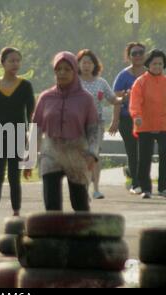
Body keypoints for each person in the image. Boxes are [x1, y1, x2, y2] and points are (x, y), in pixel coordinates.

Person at [24, 51, 99, 212]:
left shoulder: (85, 99)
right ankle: (53, 236)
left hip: (77, 152)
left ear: (74, 71)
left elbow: (93, 130)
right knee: (51, 204)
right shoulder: (46, 97)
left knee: (79, 204)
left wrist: (92, 154)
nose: (62, 73)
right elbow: (35, 128)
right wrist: (30, 159)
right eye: (58, 69)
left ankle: (82, 235)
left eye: (67, 69)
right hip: (51, 151)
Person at [0, 47, 35, 228]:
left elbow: (31, 116)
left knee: (13, 176)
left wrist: (31, 143)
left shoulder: (25, 86)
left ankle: (16, 214)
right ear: (2, 62)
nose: (15, 64)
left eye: (18, 60)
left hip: (18, 135)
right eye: (11, 60)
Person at [130, 49, 166, 199]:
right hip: (145, 125)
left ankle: (164, 188)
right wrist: (136, 116)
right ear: (148, 64)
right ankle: (146, 189)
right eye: (154, 63)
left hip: (163, 125)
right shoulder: (140, 82)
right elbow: (135, 101)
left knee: (165, 154)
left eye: (160, 63)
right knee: (144, 157)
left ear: (164, 65)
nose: (157, 66)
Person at [77, 49, 123, 200]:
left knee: (94, 155)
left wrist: (123, 99)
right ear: (78, 64)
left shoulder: (101, 82)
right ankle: (82, 188)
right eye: (84, 62)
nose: (86, 65)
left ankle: (96, 189)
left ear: (94, 65)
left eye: (89, 62)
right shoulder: (73, 82)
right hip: (76, 124)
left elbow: (113, 100)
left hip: (96, 125)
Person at [113, 42, 147, 195]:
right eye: (134, 53)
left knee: (144, 152)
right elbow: (116, 100)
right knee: (133, 151)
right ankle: (135, 183)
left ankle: (138, 177)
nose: (138, 56)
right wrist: (115, 121)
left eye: (141, 52)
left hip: (147, 119)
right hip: (127, 119)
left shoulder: (150, 73)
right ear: (129, 57)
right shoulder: (123, 76)